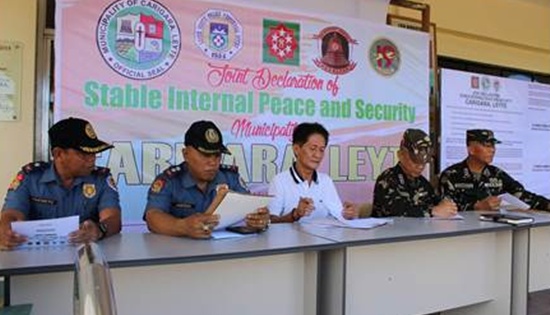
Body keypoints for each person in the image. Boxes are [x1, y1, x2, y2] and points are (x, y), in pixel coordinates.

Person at [0, 117, 121, 250]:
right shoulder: (31, 177)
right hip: (35, 256)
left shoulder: (100, 179)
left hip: (84, 255)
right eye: (84, 154)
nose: (91, 160)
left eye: (94, 154)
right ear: (58, 154)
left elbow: (113, 218)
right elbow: (11, 215)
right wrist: (6, 232)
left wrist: (99, 230)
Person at [144, 120, 270, 239]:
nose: (213, 162)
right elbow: (153, 217)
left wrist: (259, 220)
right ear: (186, 154)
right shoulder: (170, 180)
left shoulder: (230, 178)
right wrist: (183, 227)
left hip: (223, 253)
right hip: (180, 254)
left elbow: (251, 208)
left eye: (217, 155)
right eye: (205, 155)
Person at [439, 129, 550, 212]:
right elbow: (444, 208)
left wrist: (547, 205)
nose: (492, 150)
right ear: (471, 149)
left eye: (493, 146)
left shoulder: (497, 174)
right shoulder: (451, 175)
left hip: (494, 232)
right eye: (487, 146)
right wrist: (475, 206)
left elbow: (522, 195)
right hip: (463, 233)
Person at [268, 122, 359, 223]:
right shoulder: (280, 181)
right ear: (296, 149)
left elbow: (338, 215)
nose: (318, 155)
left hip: (324, 238)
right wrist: (295, 214)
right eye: (313, 148)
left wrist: (348, 214)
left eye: (321, 150)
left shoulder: (325, 180)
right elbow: (271, 221)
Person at [372, 129, 457, 218]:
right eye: (415, 162)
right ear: (401, 155)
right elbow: (397, 211)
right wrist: (432, 211)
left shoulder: (422, 182)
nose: (420, 166)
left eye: (423, 163)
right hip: (391, 231)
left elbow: (436, 201)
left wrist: (446, 205)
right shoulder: (387, 179)